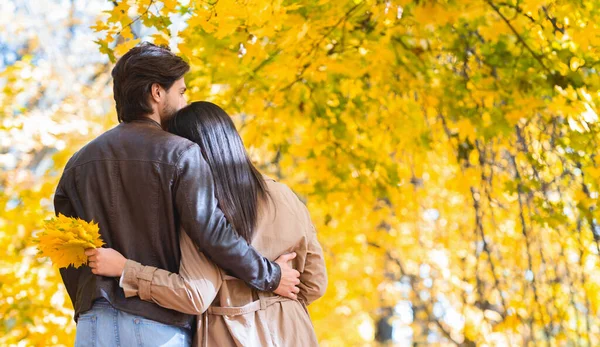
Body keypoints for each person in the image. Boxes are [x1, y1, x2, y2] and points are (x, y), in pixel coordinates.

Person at [54, 43, 300, 346]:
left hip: (93, 324)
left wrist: (86, 304)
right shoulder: (182, 153)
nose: (183, 102)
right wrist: (271, 276)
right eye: (181, 92)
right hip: (157, 324)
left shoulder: (78, 163)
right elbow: (213, 234)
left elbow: (67, 251)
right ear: (157, 92)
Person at [87, 101, 328, 346]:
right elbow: (315, 284)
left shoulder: (203, 209)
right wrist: (273, 297)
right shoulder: (285, 195)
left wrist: (126, 269)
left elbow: (193, 294)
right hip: (295, 333)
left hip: (233, 335)